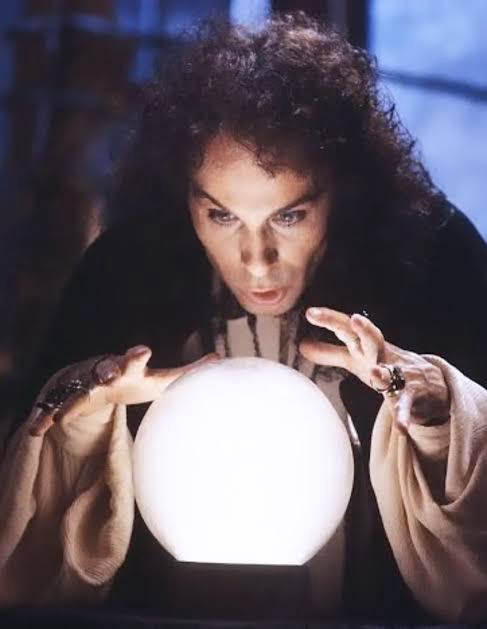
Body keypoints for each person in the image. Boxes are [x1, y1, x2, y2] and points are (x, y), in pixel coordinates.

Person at [1, 11, 487, 624]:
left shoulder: (435, 262)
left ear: (342, 191)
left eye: (289, 216)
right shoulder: (125, 273)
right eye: (222, 216)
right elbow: (23, 551)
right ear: (185, 196)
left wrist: (443, 408)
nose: (256, 260)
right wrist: (84, 414)